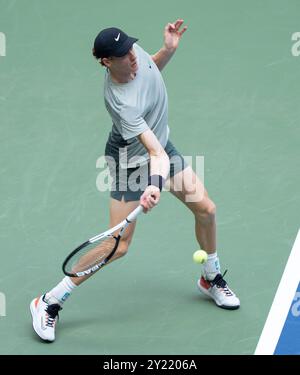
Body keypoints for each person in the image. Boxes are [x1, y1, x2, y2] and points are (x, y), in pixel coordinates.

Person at [30, 19, 240, 342]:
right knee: (118, 244)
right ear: (105, 62)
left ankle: (210, 276)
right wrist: (154, 185)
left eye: (130, 48)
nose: (132, 56)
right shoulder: (120, 101)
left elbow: (150, 72)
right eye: (122, 54)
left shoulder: (132, 53)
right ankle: (49, 301)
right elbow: (154, 155)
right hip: (130, 161)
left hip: (159, 148)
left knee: (207, 210)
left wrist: (167, 52)